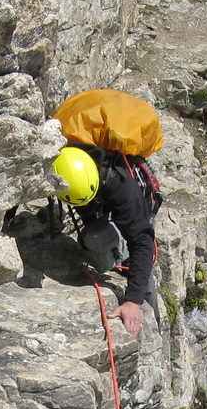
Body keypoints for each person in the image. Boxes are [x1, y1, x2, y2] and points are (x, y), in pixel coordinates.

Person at [53, 143, 160, 338]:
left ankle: (155, 329)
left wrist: (133, 301)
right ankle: (118, 254)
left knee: (102, 243)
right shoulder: (61, 166)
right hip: (103, 204)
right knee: (93, 242)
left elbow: (142, 241)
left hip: (135, 208)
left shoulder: (122, 185)